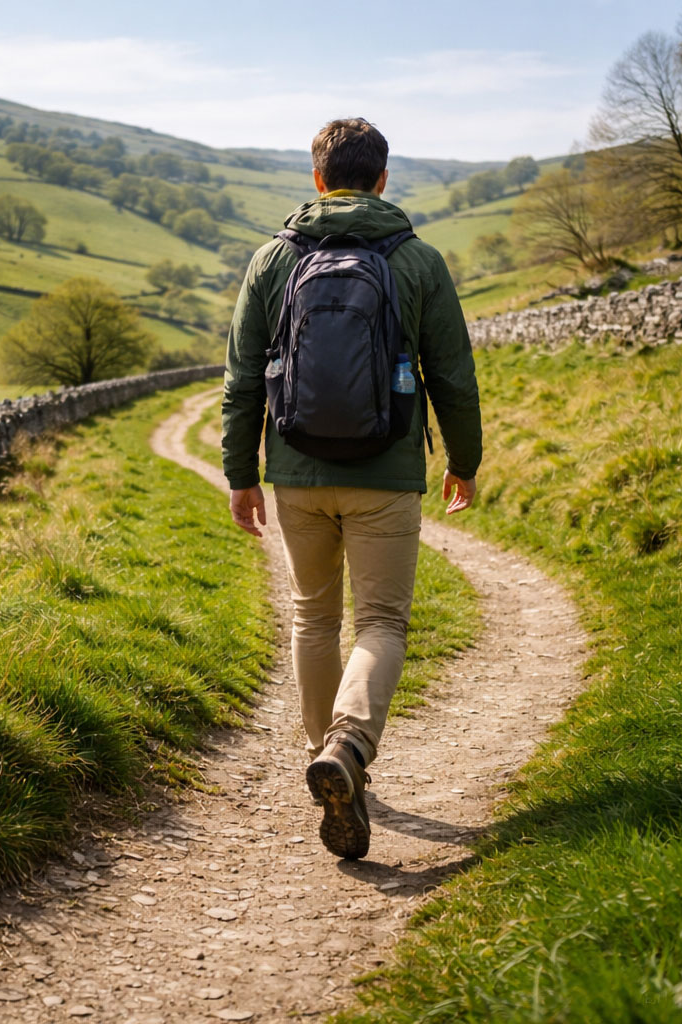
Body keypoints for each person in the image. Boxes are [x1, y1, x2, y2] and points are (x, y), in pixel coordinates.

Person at [221, 118, 482, 860]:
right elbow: (453, 377)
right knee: (383, 623)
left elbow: (242, 381)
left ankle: (325, 754)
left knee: (312, 619)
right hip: (387, 475)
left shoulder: (272, 259)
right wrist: (464, 460)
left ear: (316, 179)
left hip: (296, 471)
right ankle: (349, 747)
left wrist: (241, 473)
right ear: (383, 179)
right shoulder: (419, 261)